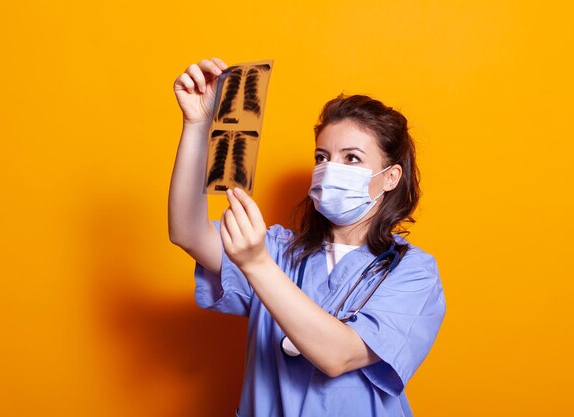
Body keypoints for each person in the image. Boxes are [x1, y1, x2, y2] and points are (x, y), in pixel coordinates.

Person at [168, 58, 446, 417]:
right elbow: (187, 231)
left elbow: (337, 356)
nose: (331, 169)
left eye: (352, 158)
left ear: (390, 178)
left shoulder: (413, 272)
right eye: (322, 156)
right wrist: (196, 125)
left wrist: (256, 264)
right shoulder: (280, 250)